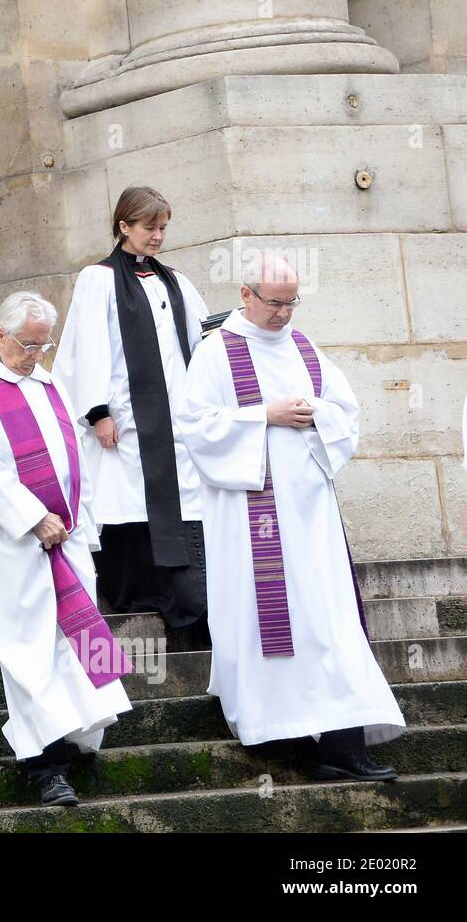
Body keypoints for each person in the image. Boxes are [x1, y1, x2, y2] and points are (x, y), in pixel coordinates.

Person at [176, 255, 405, 780]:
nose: (284, 314)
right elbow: (194, 427)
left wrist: (311, 414)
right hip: (251, 521)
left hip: (311, 519)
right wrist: (265, 415)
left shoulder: (305, 347)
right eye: (274, 302)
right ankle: (285, 736)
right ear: (246, 293)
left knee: (326, 619)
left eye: (291, 302)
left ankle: (341, 745)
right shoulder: (217, 353)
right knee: (271, 622)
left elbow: (345, 414)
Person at [0, 290, 133, 806]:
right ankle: (44, 764)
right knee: (30, 651)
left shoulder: (51, 385)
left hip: (66, 537)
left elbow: (76, 459)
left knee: (75, 643)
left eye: (43, 347)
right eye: (27, 346)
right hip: (12, 544)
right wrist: (32, 519)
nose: (35, 357)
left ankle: (77, 738)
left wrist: (81, 523)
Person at [53, 186, 211, 638]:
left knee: (180, 504)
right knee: (125, 504)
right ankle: (134, 594)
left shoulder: (174, 281)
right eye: (149, 228)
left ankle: (186, 604)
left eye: (163, 228)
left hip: (176, 421)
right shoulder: (98, 279)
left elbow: (201, 341)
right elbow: (84, 348)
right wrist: (97, 411)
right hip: (123, 421)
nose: (158, 236)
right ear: (124, 226)